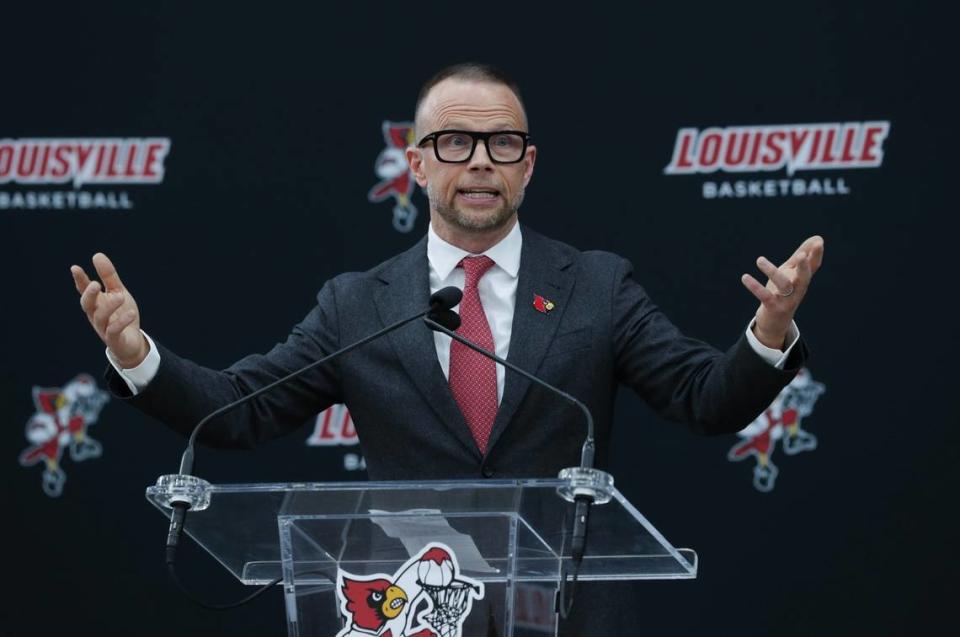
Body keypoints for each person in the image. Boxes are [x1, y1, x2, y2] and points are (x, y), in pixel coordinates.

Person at [70, 63, 823, 634]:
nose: (481, 161)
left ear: (528, 165)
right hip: (410, 614)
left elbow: (703, 397)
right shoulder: (358, 302)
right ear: (418, 162)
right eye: (456, 142)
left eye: (503, 143)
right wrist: (139, 354)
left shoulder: (597, 286)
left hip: (564, 615)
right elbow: (239, 412)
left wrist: (767, 335)